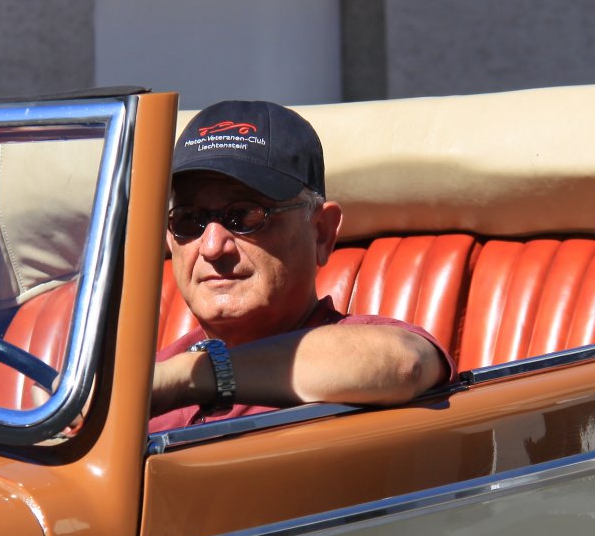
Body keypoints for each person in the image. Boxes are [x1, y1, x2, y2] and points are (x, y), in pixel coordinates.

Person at [149, 100, 452, 431]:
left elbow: (406, 364)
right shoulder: (153, 376)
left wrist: (193, 377)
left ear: (321, 232)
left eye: (245, 215)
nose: (211, 247)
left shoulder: (365, 349)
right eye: (188, 220)